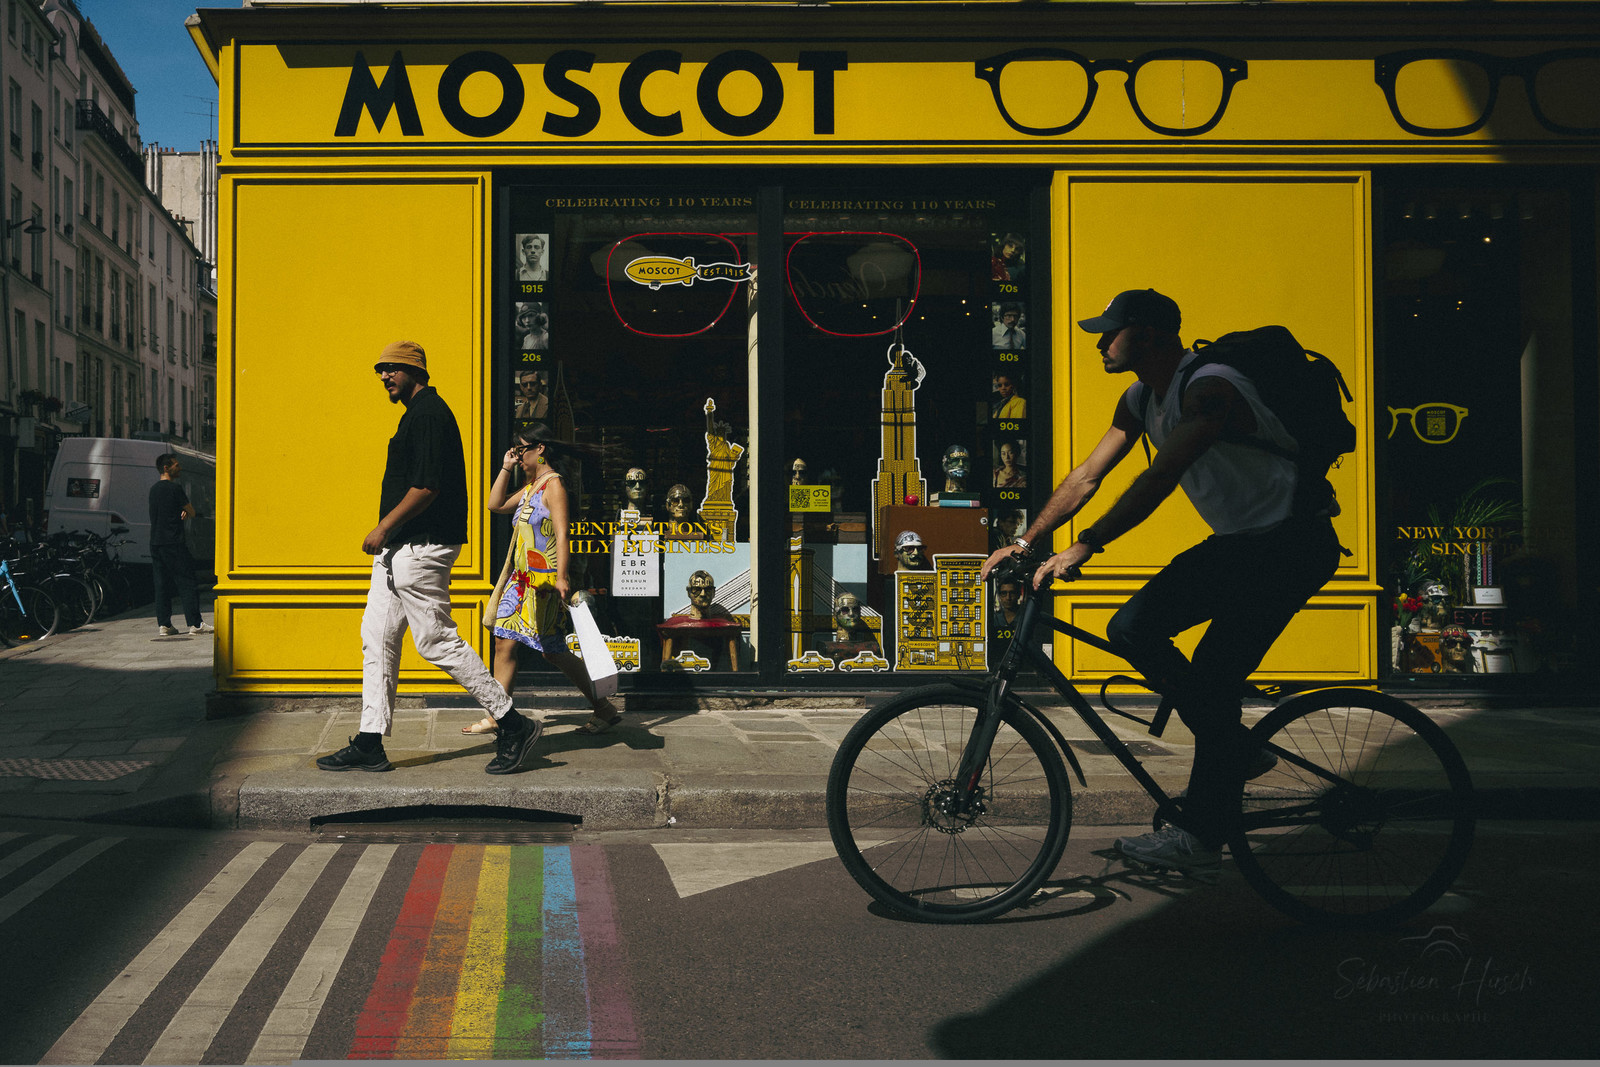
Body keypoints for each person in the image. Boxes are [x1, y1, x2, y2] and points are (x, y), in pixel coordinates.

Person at [980, 288, 1342, 877]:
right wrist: (1027, 541)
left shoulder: (1211, 389)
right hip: (1240, 544)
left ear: (1147, 336)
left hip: (1289, 545)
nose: (1100, 343)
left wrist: (1085, 545)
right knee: (1132, 628)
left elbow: (1163, 474)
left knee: (1214, 676)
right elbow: (1087, 476)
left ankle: (1201, 831)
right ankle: (1235, 748)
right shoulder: (1139, 398)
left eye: (1109, 332)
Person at [317, 340, 543, 775]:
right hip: (399, 548)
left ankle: (512, 723)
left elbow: (426, 487)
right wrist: (388, 538)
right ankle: (369, 741)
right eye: (380, 369)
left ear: (414, 371)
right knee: (377, 640)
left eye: (392, 369)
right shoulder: (415, 416)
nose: (384, 376)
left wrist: (382, 526)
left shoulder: (430, 415)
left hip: (422, 546)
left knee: (436, 640)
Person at [464, 423, 623, 737]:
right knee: (502, 642)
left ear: (541, 449)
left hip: (545, 585)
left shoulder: (554, 485)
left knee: (552, 650)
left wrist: (562, 576)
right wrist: (505, 467)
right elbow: (494, 504)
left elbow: (562, 533)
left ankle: (603, 706)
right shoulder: (530, 487)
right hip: (521, 582)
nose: (519, 455)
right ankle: (499, 714)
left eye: (522, 449)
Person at [149, 453, 210, 637]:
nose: (179, 468)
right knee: (187, 582)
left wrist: (180, 510)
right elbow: (191, 511)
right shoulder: (175, 489)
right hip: (173, 542)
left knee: (161, 585)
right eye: (176, 465)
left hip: (156, 542)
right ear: (166, 468)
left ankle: (165, 625)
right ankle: (195, 624)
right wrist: (184, 511)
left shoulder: (153, 490)